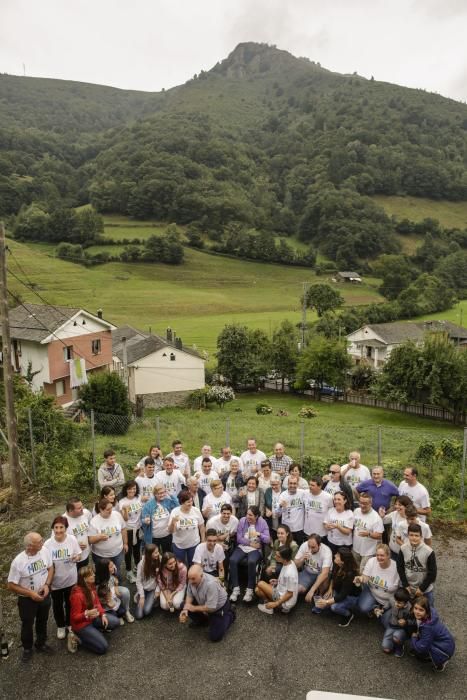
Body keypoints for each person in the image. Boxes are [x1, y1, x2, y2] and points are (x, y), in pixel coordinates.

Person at [7, 532, 54, 662]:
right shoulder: (18, 562)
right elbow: (11, 585)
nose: (42, 542)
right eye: (39, 541)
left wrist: (47, 585)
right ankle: (27, 648)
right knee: (27, 623)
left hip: (44, 593)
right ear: (30, 546)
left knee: (43, 619)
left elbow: (50, 568)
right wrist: (30, 593)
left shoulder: (44, 551)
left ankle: (41, 643)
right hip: (27, 599)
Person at [68, 565, 120, 655]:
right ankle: (77, 638)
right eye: (91, 574)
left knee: (115, 622)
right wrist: (87, 613)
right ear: (84, 579)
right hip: (82, 625)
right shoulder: (77, 595)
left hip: (93, 618)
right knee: (103, 648)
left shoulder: (90, 586)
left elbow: (97, 603)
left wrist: (103, 614)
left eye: (93, 573)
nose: (94, 575)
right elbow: (74, 617)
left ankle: (94, 631)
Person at [44, 516, 81, 639]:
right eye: (56, 527)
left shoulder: (71, 539)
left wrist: (76, 558)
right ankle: (60, 626)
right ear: (52, 528)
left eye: (61, 527)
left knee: (70, 603)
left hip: (70, 579)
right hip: (56, 582)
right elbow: (45, 564)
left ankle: (70, 623)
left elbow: (79, 554)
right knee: (57, 605)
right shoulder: (48, 544)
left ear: (66, 528)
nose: (59, 530)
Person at [179, 564, 235, 642]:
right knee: (183, 605)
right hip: (205, 603)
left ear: (201, 576)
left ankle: (230, 615)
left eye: (193, 579)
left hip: (218, 608)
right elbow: (189, 595)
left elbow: (211, 608)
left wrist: (193, 608)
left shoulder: (211, 584)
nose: (190, 581)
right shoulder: (191, 579)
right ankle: (203, 621)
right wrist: (185, 609)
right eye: (189, 579)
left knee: (215, 637)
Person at [229, 506, 270, 603]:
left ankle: (250, 590)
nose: (248, 517)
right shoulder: (243, 521)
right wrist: (250, 543)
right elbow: (238, 538)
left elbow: (268, 539)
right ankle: (236, 589)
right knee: (232, 560)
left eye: (250, 515)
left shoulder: (262, 522)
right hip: (243, 546)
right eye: (247, 514)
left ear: (257, 516)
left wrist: (259, 534)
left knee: (252, 562)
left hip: (255, 549)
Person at [313, 547, 361, 627]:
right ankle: (330, 605)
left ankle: (348, 614)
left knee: (334, 607)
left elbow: (342, 595)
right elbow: (332, 576)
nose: (335, 556)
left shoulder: (350, 574)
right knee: (326, 597)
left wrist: (326, 602)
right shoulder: (337, 564)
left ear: (343, 561)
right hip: (338, 590)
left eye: (338, 555)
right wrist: (330, 589)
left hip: (350, 596)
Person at [355, 544, 400, 625]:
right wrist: (360, 579)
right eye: (377, 555)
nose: (379, 558)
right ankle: (375, 608)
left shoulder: (396, 568)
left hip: (389, 599)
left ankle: (383, 609)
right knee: (363, 608)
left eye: (382, 555)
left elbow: (399, 589)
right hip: (373, 592)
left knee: (385, 621)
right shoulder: (372, 561)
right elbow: (365, 578)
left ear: (389, 555)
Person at [409, 596, 455, 672]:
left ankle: (440, 664)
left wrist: (414, 638)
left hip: (444, 651)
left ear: (426, 611)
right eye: (415, 608)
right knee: (422, 641)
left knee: (419, 652)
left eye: (421, 610)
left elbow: (422, 647)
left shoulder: (428, 627)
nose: (417, 612)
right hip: (447, 644)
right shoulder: (430, 614)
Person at [396, 523, 436, 605]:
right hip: (408, 588)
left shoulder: (429, 551)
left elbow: (433, 573)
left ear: (421, 537)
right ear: (408, 536)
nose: (414, 538)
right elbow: (400, 567)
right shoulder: (403, 548)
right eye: (411, 535)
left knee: (428, 612)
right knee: (407, 611)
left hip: (424, 589)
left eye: (416, 535)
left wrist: (422, 589)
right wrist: (405, 585)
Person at [256, 546, 299, 615]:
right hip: (282, 591)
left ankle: (270, 607)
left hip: (285, 602)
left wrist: (276, 603)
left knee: (260, 584)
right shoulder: (289, 562)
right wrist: (277, 581)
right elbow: (287, 582)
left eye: (278, 556)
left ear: (284, 559)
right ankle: (269, 604)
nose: (275, 557)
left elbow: (290, 594)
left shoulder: (290, 573)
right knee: (258, 590)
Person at [88, 498, 128, 572]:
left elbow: (123, 529)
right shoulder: (94, 521)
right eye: (108, 509)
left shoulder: (117, 515)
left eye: (111, 508)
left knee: (116, 571)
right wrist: (99, 537)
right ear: (101, 509)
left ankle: (116, 582)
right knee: (102, 573)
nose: (111, 511)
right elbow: (90, 540)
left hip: (117, 552)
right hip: (101, 556)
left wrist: (125, 543)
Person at [168, 490, 205, 567]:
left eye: (191, 501)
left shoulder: (196, 511)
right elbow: (171, 531)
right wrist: (173, 522)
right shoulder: (175, 512)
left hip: (194, 544)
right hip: (179, 545)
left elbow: (201, 526)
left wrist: (203, 540)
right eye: (188, 502)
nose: (190, 503)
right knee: (180, 566)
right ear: (182, 502)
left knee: (193, 565)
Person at [141, 484, 179, 553]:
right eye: (159, 493)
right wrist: (145, 521)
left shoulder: (167, 501)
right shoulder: (149, 505)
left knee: (168, 555)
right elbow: (142, 519)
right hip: (154, 537)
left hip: (167, 535)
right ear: (155, 494)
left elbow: (177, 505)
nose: (162, 495)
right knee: (154, 557)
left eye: (163, 492)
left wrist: (171, 495)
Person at [352, 492, 384, 572]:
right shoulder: (356, 511)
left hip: (368, 551)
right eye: (361, 503)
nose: (362, 505)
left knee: (363, 572)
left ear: (370, 503)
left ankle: (362, 584)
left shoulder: (376, 518)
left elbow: (379, 535)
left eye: (365, 503)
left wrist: (368, 534)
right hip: (356, 548)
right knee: (355, 569)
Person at [95, 559, 134, 624]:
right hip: (106, 605)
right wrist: (108, 601)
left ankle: (126, 612)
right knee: (116, 617)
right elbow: (100, 600)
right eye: (111, 567)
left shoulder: (112, 572)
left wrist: (116, 587)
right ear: (105, 570)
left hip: (112, 597)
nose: (114, 567)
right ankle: (117, 616)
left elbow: (115, 581)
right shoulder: (99, 584)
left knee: (125, 593)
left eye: (113, 565)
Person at [118, 480, 143, 582]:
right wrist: (126, 510)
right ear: (126, 490)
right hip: (128, 530)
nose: (132, 490)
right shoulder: (122, 502)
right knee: (128, 552)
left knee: (137, 550)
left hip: (138, 528)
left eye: (134, 488)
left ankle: (138, 568)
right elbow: (125, 519)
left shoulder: (139, 498)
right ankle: (128, 571)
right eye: (130, 489)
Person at [295, 533, 332, 600]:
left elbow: (325, 573)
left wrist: (311, 590)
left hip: (320, 574)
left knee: (324, 580)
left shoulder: (326, 551)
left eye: (313, 547)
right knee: (298, 589)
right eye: (309, 546)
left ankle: (319, 594)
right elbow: (295, 564)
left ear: (319, 545)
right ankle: (311, 587)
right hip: (308, 572)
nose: (310, 549)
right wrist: (302, 559)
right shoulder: (304, 545)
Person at [381, 587, 412, 657]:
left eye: (399, 603)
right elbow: (388, 604)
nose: (396, 604)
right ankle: (393, 642)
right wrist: (382, 609)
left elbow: (413, 621)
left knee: (396, 638)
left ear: (405, 602)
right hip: (391, 626)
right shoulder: (393, 600)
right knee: (386, 649)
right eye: (396, 601)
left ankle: (399, 647)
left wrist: (406, 621)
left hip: (401, 628)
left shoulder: (409, 608)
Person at [63, 497, 92, 569]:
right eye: (79, 508)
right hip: (72, 559)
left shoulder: (86, 513)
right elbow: (57, 543)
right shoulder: (62, 522)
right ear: (70, 510)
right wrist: (75, 546)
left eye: (82, 506)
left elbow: (90, 527)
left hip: (85, 555)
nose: (82, 508)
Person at [134, 544, 161, 619]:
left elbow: (161, 578)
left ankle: (153, 600)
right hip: (144, 588)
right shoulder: (141, 564)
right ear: (149, 554)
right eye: (155, 553)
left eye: (158, 552)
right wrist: (142, 596)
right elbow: (138, 581)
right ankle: (140, 595)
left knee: (146, 611)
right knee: (139, 616)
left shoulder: (160, 559)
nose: (158, 554)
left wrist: (158, 590)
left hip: (153, 589)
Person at [383, 495, 413, 560]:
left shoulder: (411, 519)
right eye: (396, 504)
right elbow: (384, 520)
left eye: (400, 505)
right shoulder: (395, 514)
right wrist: (382, 515)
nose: (397, 506)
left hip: (404, 552)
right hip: (392, 549)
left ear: (406, 506)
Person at [279, 475, 306, 545]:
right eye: (290, 483)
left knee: (298, 547)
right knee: (287, 549)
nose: (292, 485)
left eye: (294, 483)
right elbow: (277, 513)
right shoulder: (283, 495)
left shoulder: (303, 493)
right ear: (287, 484)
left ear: (298, 484)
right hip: (287, 529)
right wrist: (280, 506)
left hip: (299, 528)